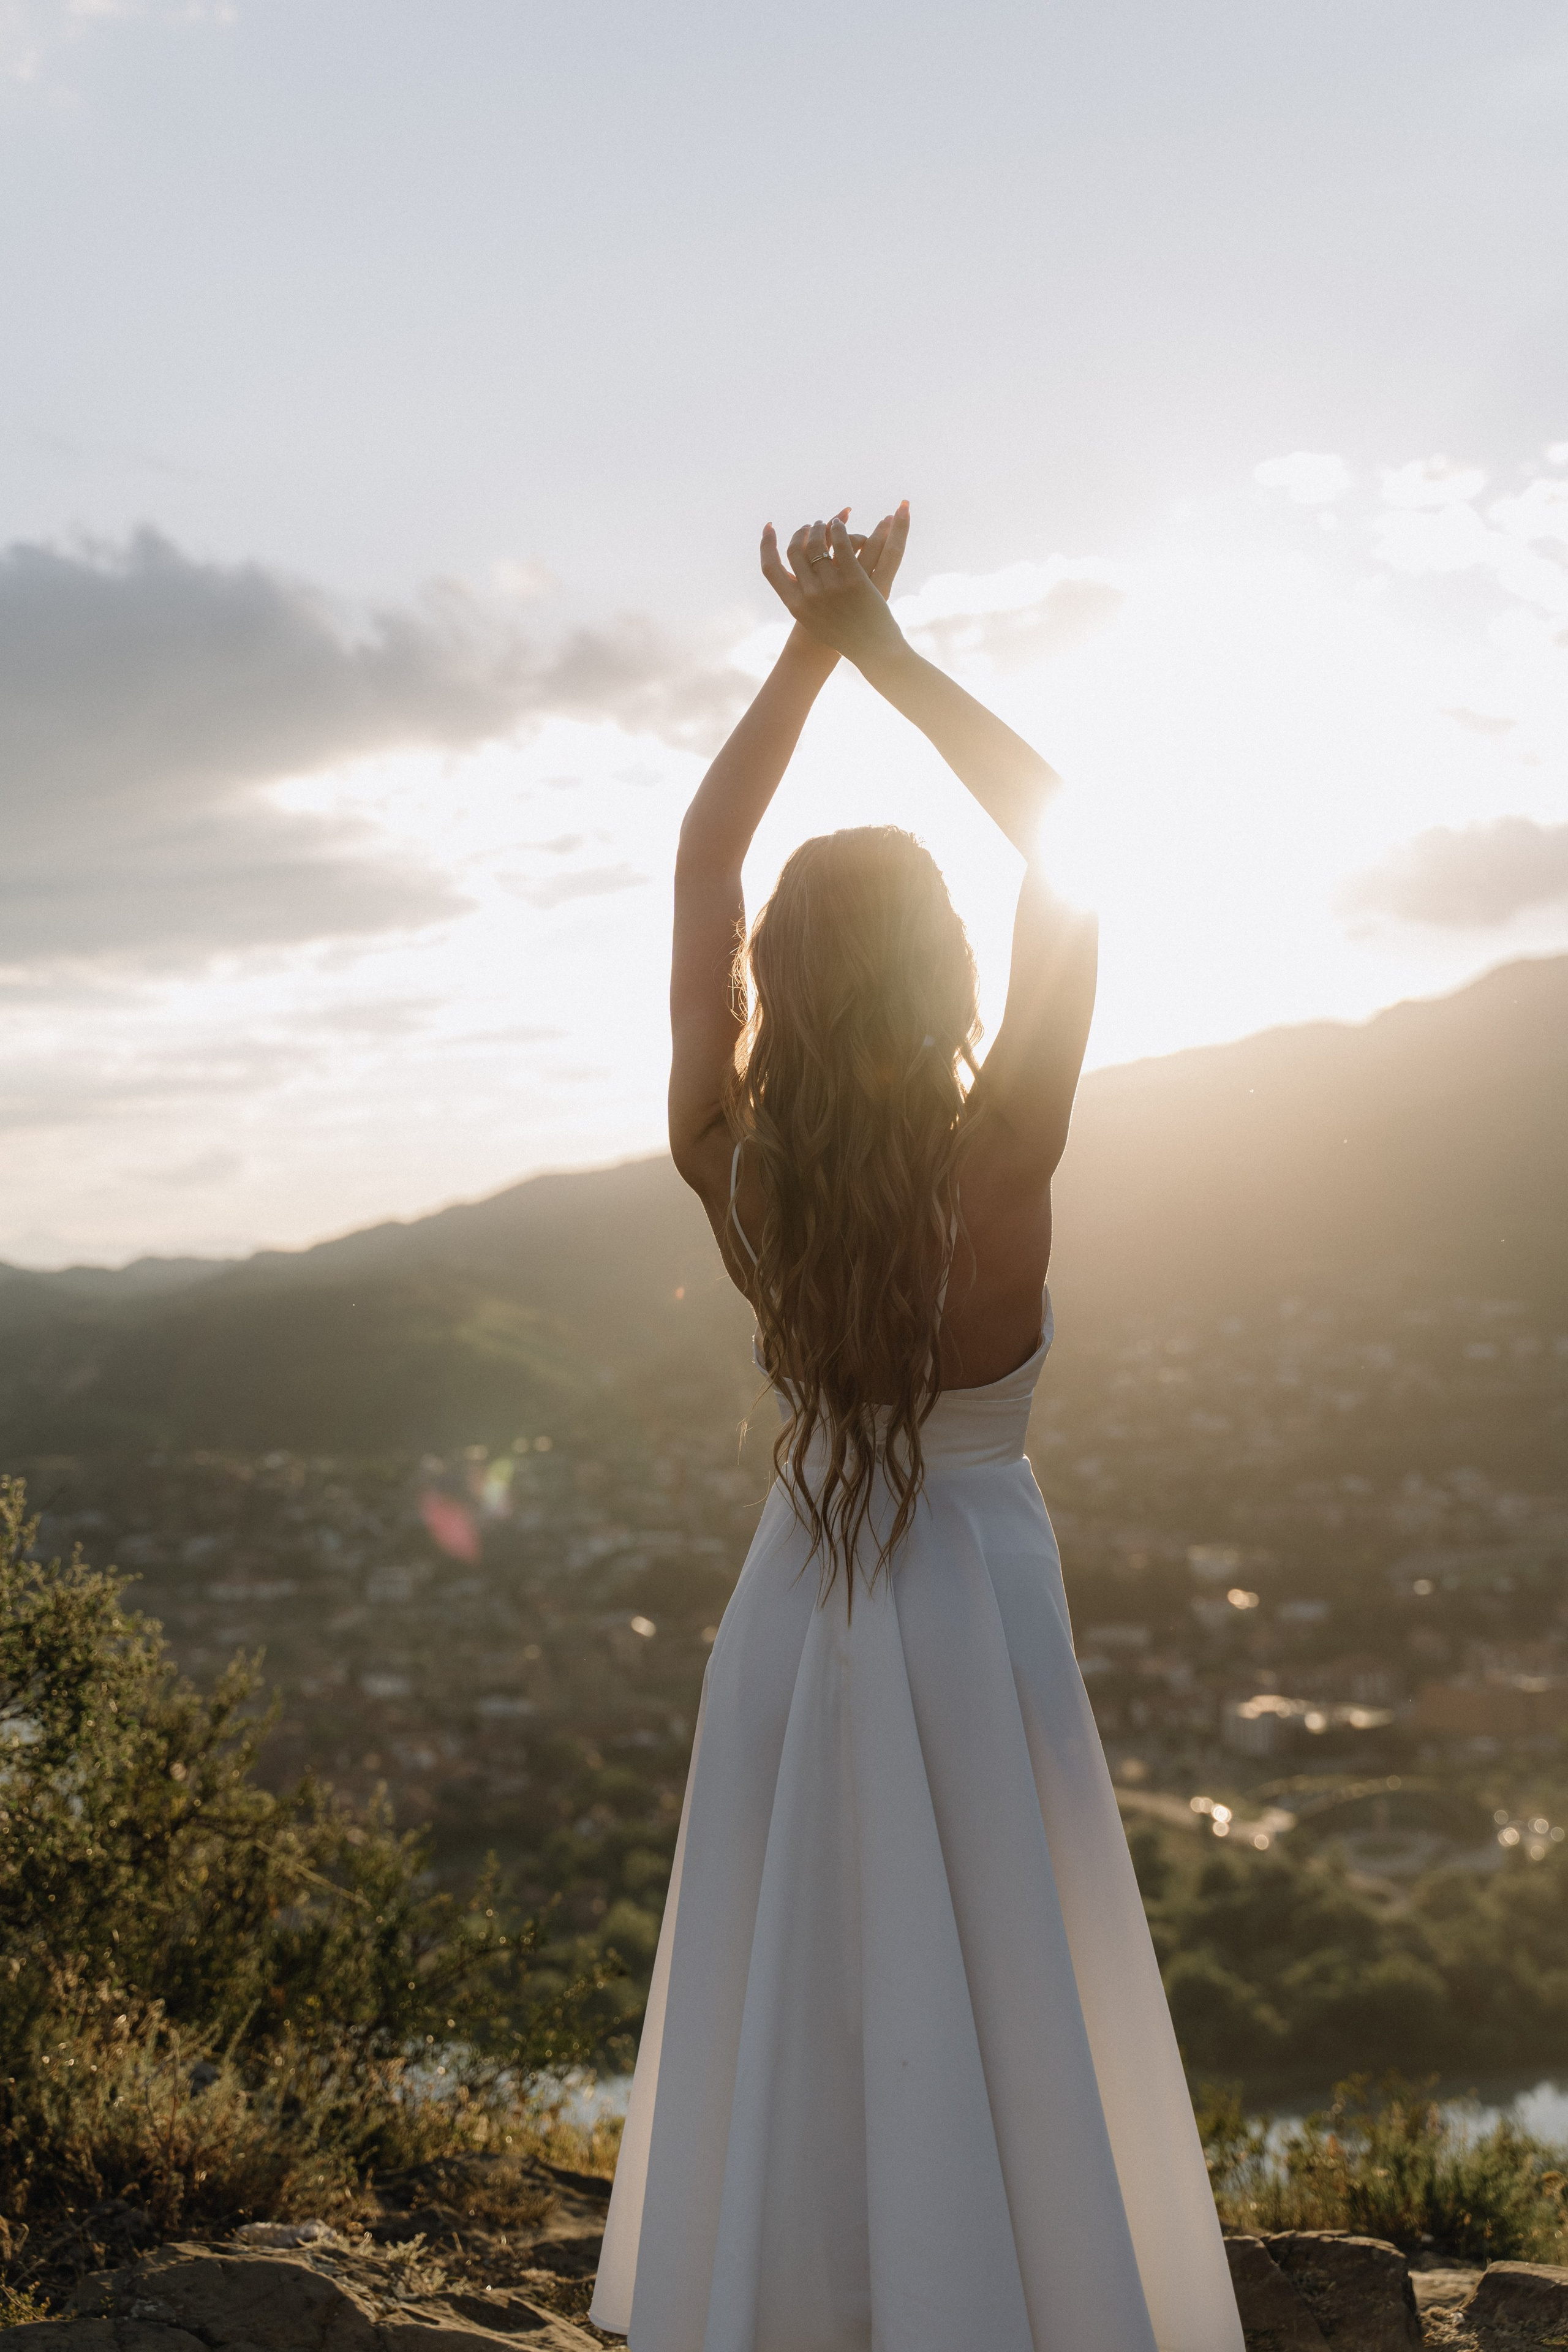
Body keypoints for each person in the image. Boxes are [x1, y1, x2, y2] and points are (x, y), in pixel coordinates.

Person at [589, 508, 1243, 2352]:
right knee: (1000, 1966)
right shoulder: (1008, 1147)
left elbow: (703, 860)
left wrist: (801, 647)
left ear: (775, 983)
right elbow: (1070, 839)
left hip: (803, 1590)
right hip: (976, 1587)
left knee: (814, 1957)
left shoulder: (730, 1164)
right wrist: (879, 642)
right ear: (952, 974)